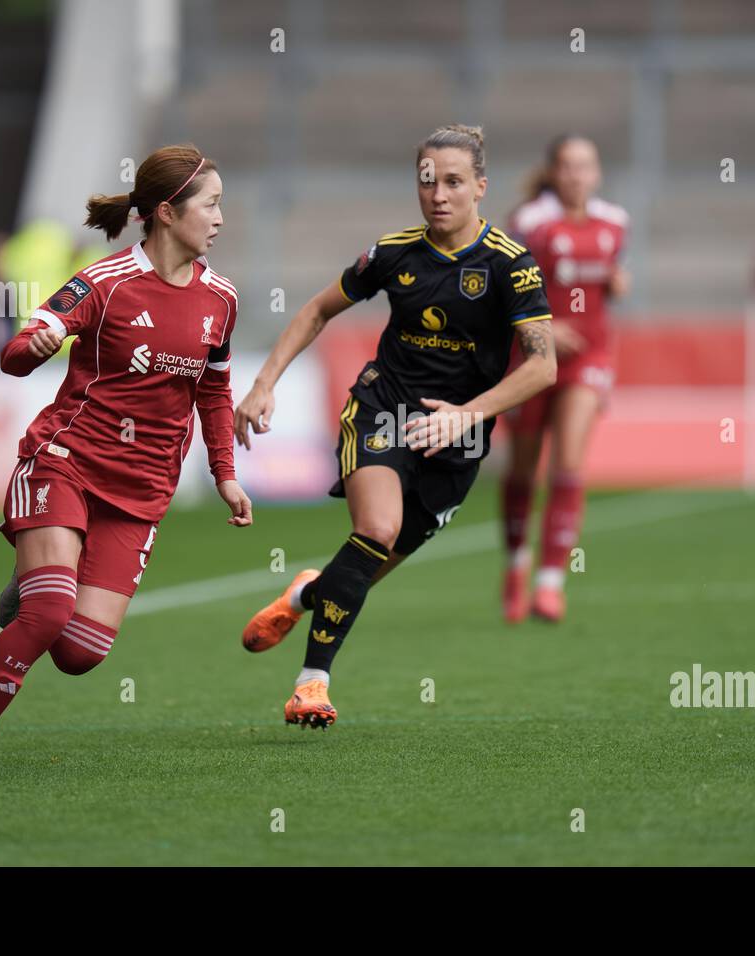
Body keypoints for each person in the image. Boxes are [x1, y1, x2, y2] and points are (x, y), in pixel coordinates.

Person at [0, 144, 252, 774]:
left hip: (143, 488)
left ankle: (34, 588)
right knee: (51, 611)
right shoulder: (104, 283)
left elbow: (213, 391)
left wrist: (225, 474)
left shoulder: (222, 298)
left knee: (80, 652)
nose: (220, 218)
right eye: (211, 205)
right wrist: (40, 341)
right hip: (66, 462)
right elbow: (15, 354)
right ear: (166, 211)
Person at [234, 124, 556, 729]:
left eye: (454, 182)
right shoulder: (392, 253)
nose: (438, 194)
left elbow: (543, 366)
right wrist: (264, 382)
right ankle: (312, 685)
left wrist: (469, 413)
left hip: (458, 439)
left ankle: (307, 592)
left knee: (361, 572)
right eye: (427, 180)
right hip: (385, 408)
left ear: (480, 187)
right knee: (376, 528)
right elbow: (317, 310)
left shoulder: (511, 265)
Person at [499, 134, 630, 623]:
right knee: (522, 470)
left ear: (596, 173)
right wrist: (547, 324)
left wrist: (616, 281)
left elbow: (606, 277)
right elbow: (507, 288)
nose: (578, 175)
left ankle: (551, 583)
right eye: (569, 166)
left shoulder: (615, 223)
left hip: (589, 356)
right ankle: (516, 564)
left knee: (569, 462)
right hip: (531, 356)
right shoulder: (530, 224)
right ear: (554, 172)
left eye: (587, 166)